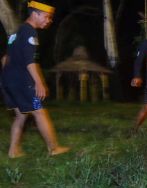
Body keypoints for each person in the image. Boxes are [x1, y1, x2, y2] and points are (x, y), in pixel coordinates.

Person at [1, 0, 70, 158]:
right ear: (35, 14)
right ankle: (53, 148)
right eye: (46, 17)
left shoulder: (16, 33)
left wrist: (8, 79)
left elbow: (5, 58)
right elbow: (29, 61)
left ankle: (13, 151)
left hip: (8, 80)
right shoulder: (30, 32)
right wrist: (38, 83)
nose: (49, 21)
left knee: (21, 115)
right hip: (22, 81)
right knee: (40, 112)